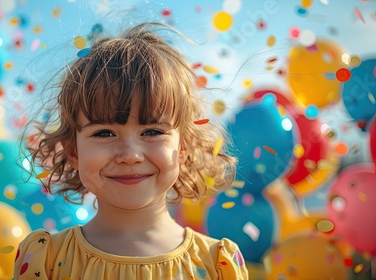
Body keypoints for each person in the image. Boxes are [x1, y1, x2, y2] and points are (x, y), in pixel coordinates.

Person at [14, 22, 248, 280]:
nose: (130, 154)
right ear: (73, 152)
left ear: (183, 147)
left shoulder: (216, 263)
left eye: (152, 132)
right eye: (104, 133)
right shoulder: (46, 259)